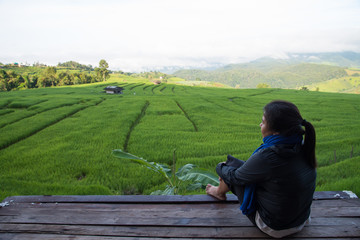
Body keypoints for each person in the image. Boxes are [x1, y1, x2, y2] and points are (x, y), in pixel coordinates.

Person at [206, 100, 317, 238]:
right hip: (301, 219)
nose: (260, 125)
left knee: (229, 168)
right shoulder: (300, 145)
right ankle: (219, 190)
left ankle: (218, 192)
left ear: (276, 131)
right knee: (241, 169)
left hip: (275, 227)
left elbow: (236, 177)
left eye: (263, 122)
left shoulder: (270, 156)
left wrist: (220, 167)